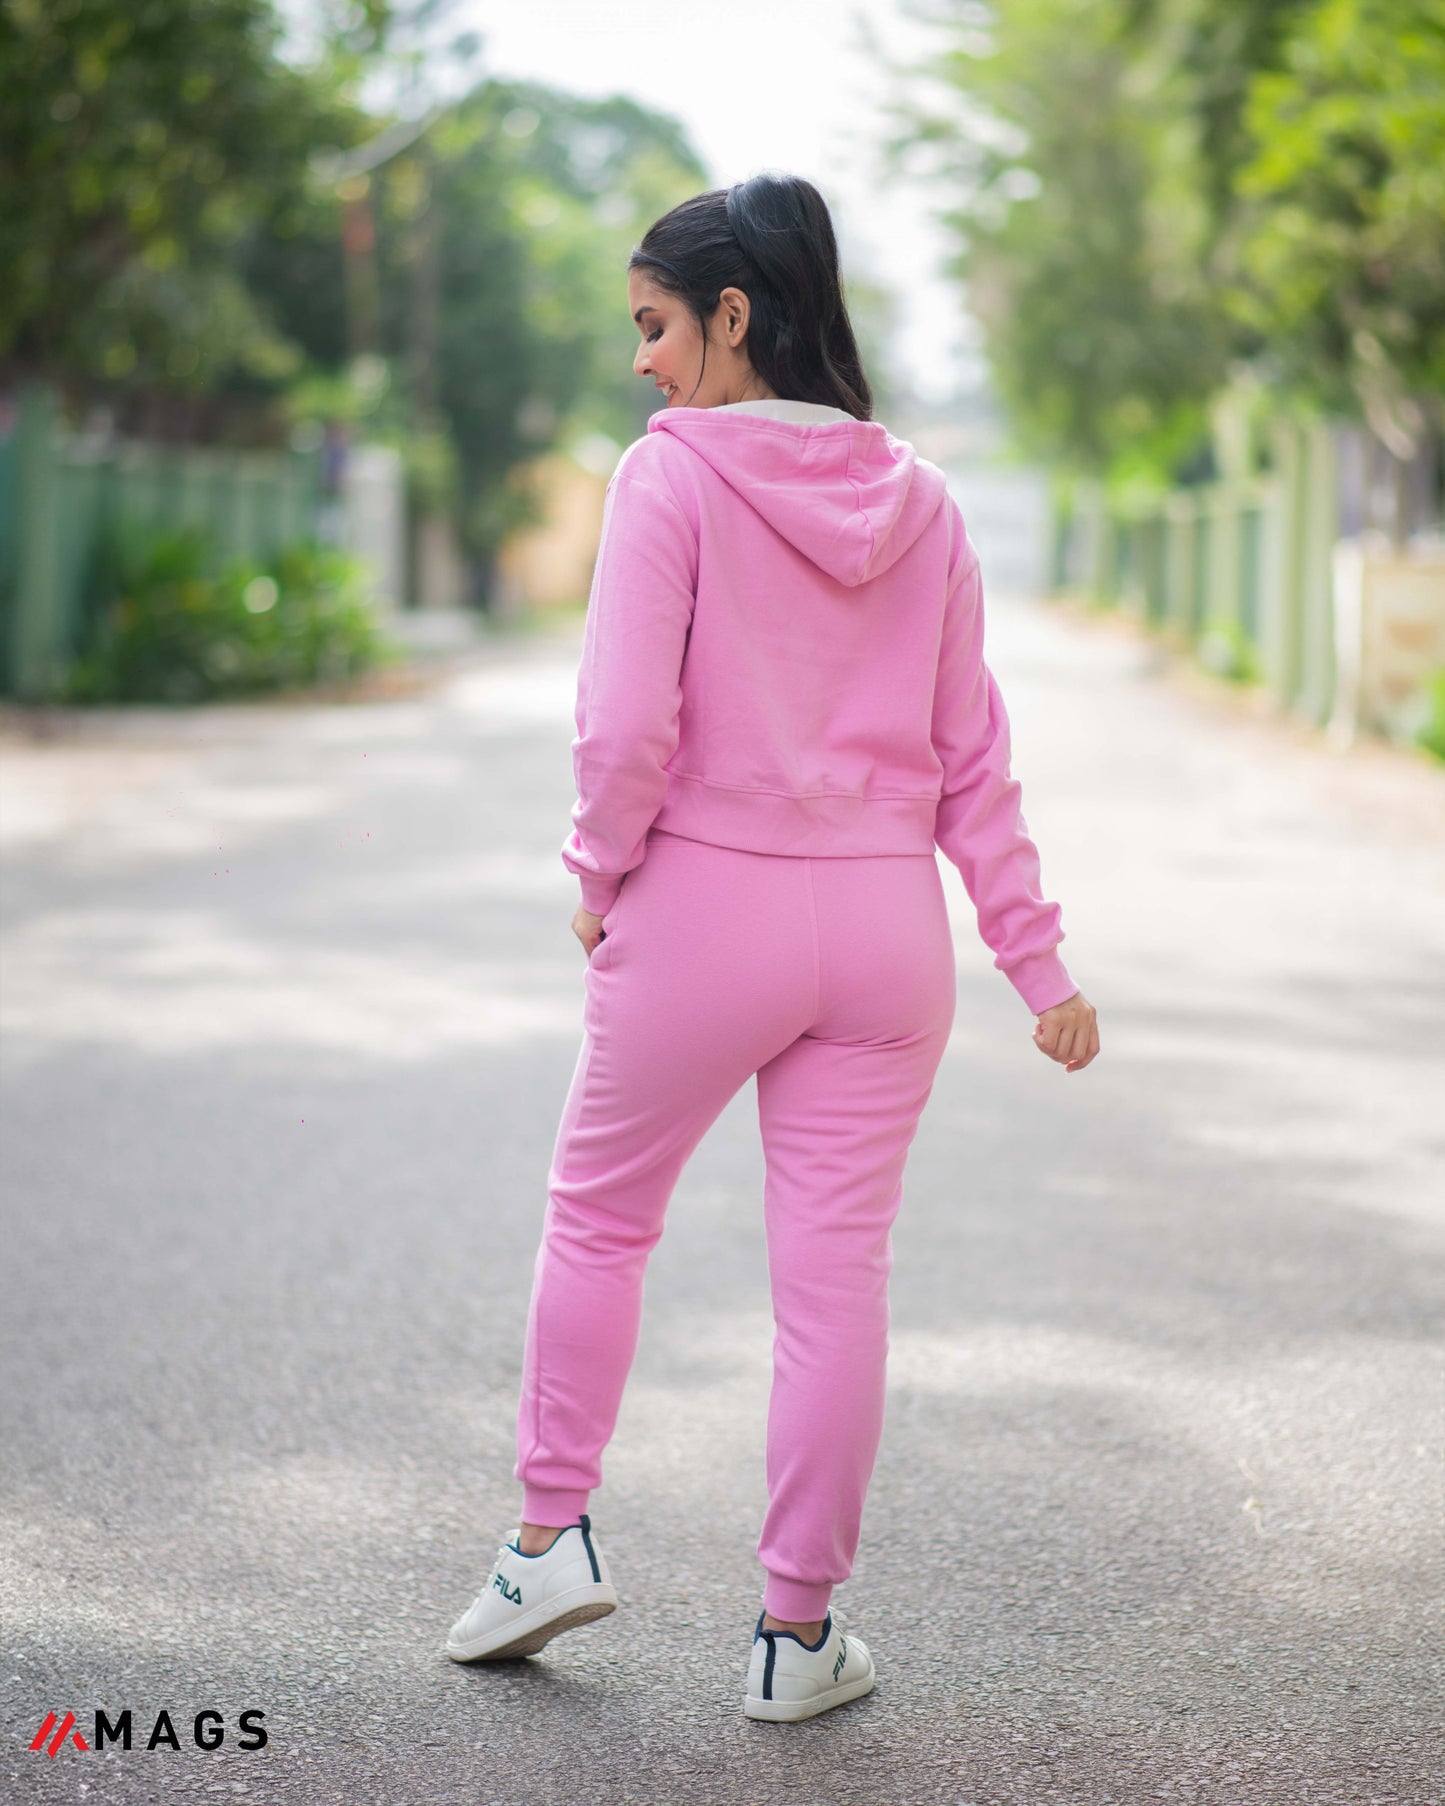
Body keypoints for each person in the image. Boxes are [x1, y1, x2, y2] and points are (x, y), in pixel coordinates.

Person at [444, 172, 1100, 1721]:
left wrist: (597, 872)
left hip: (706, 914)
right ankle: (795, 1640)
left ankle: (546, 1544)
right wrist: (1037, 966)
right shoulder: (924, 502)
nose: (642, 362)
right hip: (883, 938)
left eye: (655, 325)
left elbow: (623, 728)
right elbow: (971, 762)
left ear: (733, 316)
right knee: (834, 1285)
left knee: (600, 1221)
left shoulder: (665, 479)